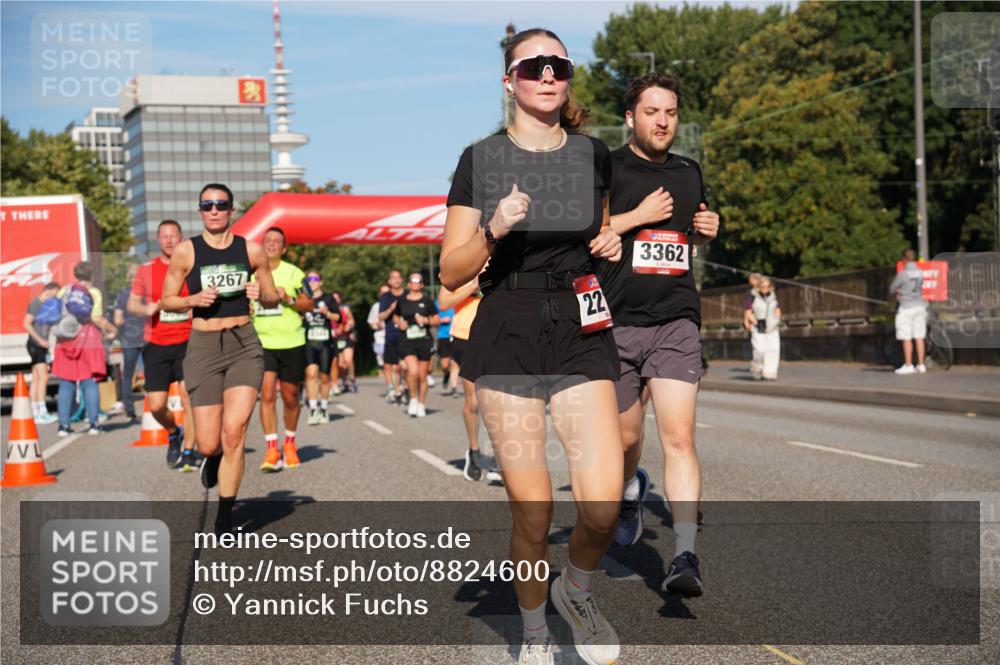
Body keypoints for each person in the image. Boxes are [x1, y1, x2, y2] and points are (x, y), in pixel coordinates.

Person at [440, 28, 624, 665]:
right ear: (509, 81)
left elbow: (600, 227)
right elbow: (451, 272)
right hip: (508, 328)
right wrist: (494, 227)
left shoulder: (594, 155)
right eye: (533, 65)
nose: (547, 75)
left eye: (559, 65)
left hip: (578, 323)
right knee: (535, 509)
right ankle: (536, 633)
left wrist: (609, 240)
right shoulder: (481, 159)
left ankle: (576, 590)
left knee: (602, 502)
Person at [595, 73, 719, 598]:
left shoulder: (689, 172)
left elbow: (689, 232)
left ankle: (685, 555)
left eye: (670, 112)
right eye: (652, 112)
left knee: (680, 437)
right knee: (626, 438)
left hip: (675, 319)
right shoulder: (607, 167)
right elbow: (588, 236)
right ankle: (630, 488)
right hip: (616, 322)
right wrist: (636, 217)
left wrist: (708, 230)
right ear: (631, 117)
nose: (663, 121)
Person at [160, 183, 279, 534]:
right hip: (204, 347)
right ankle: (210, 457)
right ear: (200, 211)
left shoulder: (252, 250)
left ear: (232, 210)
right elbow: (167, 300)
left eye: (221, 204)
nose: (214, 210)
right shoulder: (186, 252)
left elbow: (273, 295)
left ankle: (225, 517)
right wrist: (192, 300)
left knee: (234, 432)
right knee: (209, 442)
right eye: (207, 205)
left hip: (244, 345)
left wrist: (262, 294)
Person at [129, 220, 198, 469]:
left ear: (181, 238)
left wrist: (194, 307)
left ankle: (189, 450)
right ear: (158, 240)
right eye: (164, 236)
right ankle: (174, 432)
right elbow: (132, 304)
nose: (169, 240)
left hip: (188, 340)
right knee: (157, 405)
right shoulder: (146, 270)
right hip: (156, 343)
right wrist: (144, 308)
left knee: (189, 398)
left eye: (173, 235)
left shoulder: (192, 267)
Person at [252, 226, 313, 472]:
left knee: (290, 397)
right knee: (266, 394)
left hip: (291, 341)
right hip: (262, 342)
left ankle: (289, 443)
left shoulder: (295, 273)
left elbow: (309, 304)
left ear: (284, 248)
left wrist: (288, 298)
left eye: (276, 241)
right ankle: (271, 448)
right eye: (267, 240)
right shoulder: (252, 273)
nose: (271, 244)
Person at [438, 277, 502, 483]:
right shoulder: (463, 266)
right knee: (473, 402)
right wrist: (473, 285)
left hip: (497, 336)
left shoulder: (502, 262)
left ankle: (497, 456)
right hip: (465, 337)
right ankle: (474, 452)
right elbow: (444, 303)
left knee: (497, 402)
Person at [52, 262, 117, 436]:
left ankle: (63, 426)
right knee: (89, 381)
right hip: (87, 339)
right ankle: (94, 423)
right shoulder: (93, 292)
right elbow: (96, 318)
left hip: (66, 339)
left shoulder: (64, 290)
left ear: (76, 274)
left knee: (66, 382)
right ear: (91, 275)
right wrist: (113, 330)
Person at [395, 273, 439, 418]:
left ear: (422, 285)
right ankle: (413, 399)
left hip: (424, 340)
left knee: (422, 376)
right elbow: (395, 316)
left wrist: (426, 320)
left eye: (418, 281)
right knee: (412, 372)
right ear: (408, 284)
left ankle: (421, 404)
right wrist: (400, 323)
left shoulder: (427, 301)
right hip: (407, 340)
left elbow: (436, 320)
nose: (415, 283)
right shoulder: (402, 301)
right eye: (412, 281)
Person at [303, 271, 340, 425]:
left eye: (315, 278)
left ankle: (324, 409)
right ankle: (313, 410)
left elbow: (338, 317)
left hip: (325, 343)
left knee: (325, 377)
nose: (312, 281)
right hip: (309, 342)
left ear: (321, 282)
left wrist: (328, 313)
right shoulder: (304, 298)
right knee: (311, 374)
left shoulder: (329, 298)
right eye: (309, 279)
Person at [23, 281, 61, 424]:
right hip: (35, 344)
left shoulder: (47, 305)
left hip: (40, 345)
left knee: (36, 378)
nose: (56, 297)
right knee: (44, 376)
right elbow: (26, 323)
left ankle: (35, 411)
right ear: (49, 290)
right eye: (55, 293)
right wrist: (39, 340)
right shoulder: (37, 303)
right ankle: (42, 411)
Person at [114, 264, 145, 422]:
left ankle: (129, 410)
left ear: (128, 277)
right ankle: (156, 406)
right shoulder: (147, 294)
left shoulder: (123, 295)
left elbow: (117, 320)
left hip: (129, 338)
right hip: (148, 337)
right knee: (152, 372)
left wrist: (123, 325)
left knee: (128, 375)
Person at [889, 248, 928, 375]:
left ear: (904, 259)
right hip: (919, 305)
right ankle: (921, 364)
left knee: (906, 337)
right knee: (919, 336)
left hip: (906, 306)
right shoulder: (920, 272)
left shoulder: (903, 274)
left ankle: (908, 364)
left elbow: (892, 288)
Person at [377, 270, 407, 403]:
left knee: (406, 366)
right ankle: (398, 390)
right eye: (393, 278)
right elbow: (381, 316)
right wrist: (391, 309)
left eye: (398, 277)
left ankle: (406, 385)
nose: (396, 280)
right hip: (392, 335)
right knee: (394, 366)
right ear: (389, 281)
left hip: (407, 335)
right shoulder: (385, 297)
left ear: (402, 280)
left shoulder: (408, 295)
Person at [744, 276, 781, 381]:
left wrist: (776, 320)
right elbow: (748, 312)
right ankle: (757, 368)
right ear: (759, 287)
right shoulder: (752, 297)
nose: (765, 289)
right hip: (758, 327)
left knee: (773, 349)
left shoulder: (773, 297)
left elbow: (777, 309)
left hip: (772, 327)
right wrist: (754, 322)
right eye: (763, 287)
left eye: (767, 287)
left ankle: (770, 372)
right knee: (760, 350)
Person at [367, 283, 391, 395]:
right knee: (386, 364)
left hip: (395, 337)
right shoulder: (376, 306)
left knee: (396, 365)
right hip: (380, 338)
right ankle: (391, 387)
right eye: (383, 292)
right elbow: (371, 322)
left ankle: (399, 385)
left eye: (387, 292)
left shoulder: (396, 304)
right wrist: (377, 325)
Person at [332, 291, 357, 393]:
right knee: (341, 363)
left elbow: (352, 321)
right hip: (335, 338)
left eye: (336, 298)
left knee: (348, 360)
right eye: (333, 298)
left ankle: (352, 379)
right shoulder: (328, 309)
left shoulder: (345, 309)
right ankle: (344, 382)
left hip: (345, 337)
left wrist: (348, 327)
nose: (335, 300)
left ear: (340, 299)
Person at [435, 299, 455, 395]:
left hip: (457, 335)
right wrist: (441, 320)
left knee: (454, 363)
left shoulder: (460, 299)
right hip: (443, 336)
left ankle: (454, 387)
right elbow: (432, 319)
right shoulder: (438, 303)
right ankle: (447, 374)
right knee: (445, 365)